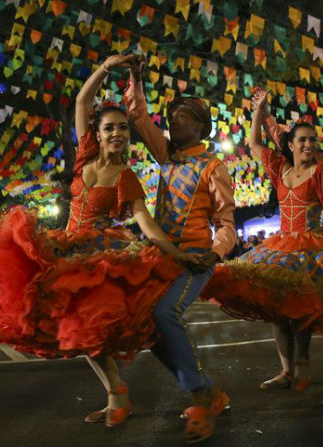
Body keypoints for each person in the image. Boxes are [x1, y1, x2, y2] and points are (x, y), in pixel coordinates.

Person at [0, 54, 197, 430]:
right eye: (110, 128)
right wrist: (107, 67)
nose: (118, 133)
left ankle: (194, 390)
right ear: (98, 133)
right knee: (77, 329)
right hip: (66, 247)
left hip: (102, 256)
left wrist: (176, 253)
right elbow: (83, 103)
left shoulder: (126, 177)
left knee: (102, 328)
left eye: (123, 128)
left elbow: (147, 225)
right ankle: (116, 394)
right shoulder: (83, 153)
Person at [201, 89, 323, 394]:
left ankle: (303, 364)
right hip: (279, 246)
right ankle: (286, 370)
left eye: (312, 140)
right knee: (276, 310)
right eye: (302, 140)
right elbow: (254, 143)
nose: (309, 144)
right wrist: (258, 110)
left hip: (313, 248)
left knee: (301, 309)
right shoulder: (279, 168)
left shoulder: (321, 169)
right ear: (290, 144)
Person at [124, 55, 236, 443]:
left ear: (201, 126)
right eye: (172, 115)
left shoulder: (213, 167)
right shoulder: (166, 155)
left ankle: (202, 399)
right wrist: (136, 77)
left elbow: (227, 225)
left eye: (183, 115)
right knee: (148, 329)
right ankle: (207, 389)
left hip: (195, 260)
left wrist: (216, 253)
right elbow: (138, 116)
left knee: (165, 311)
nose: (173, 119)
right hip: (163, 255)